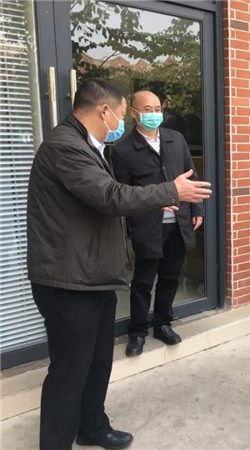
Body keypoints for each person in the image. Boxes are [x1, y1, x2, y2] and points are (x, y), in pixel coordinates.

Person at [27, 78, 212, 450]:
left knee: (97, 363)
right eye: (123, 114)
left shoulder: (85, 145)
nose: (123, 122)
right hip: (69, 282)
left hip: (93, 277)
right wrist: (171, 190)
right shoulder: (65, 147)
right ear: (103, 111)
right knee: (69, 372)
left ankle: (92, 427)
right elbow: (110, 196)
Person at [112, 91, 205, 357]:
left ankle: (163, 323)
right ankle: (137, 331)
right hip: (147, 226)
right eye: (147, 110)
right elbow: (123, 194)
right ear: (134, 113)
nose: (154, 114)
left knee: (170, 277)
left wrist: (197, 208)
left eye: (157, 109)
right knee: (143, 281)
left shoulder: (176, 139)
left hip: (178, 222)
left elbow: (191, 176)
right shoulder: (123, 150)